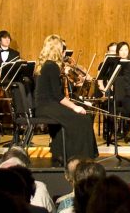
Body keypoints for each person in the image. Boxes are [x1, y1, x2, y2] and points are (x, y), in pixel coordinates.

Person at [33, 34, 97, 163]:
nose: (64, 52)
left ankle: (63, 154)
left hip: (45, 106)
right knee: (82, 119)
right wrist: (75, 107)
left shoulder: (45, 64)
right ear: (57, 50)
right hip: (48, 106)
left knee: (79, 117)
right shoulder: (52, 66)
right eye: (63, 49)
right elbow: (58, 96)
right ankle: (81, 157)